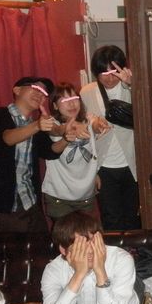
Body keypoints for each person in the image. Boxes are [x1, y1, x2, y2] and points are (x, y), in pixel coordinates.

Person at [41, 211, 141, 304]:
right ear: (63, 250)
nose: (89, 251)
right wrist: (78, 275)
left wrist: (100, 271)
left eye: (92, 242)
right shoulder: (54, 269)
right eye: (80, 247)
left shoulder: (120, 259)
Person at [0, 77, 62, 233]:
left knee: (43, 245)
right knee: (15, 249)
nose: (41, 94)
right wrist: (37, 125)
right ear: (17, 90)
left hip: (30, 201)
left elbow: (51, 151)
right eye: (35, 88)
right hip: (1, 205)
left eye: (44, 93)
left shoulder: (35, 125)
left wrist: (67, 138)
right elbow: (7, 138)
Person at [80, 45, 139, 230]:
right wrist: (92, 125)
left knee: (134, 216)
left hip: (132, 163)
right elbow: (80, 126)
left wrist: (132, 84)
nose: (109, 77)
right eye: (103, 72)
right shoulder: (86, 92)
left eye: (113, 72)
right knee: (111, 217)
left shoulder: (131, 87)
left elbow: (147, 112)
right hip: (103, 165)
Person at [42, 82, 99, 221]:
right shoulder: (51, 123)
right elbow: (55, 130)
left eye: (74, 98)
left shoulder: (88, 120)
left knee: (88, 233)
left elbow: (93, 149)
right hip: (59, 196)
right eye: (65, 100)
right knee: (65, 234)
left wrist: (96, 173)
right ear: (55, 106)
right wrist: (70, 128)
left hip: (86, 194)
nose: (72, 103)